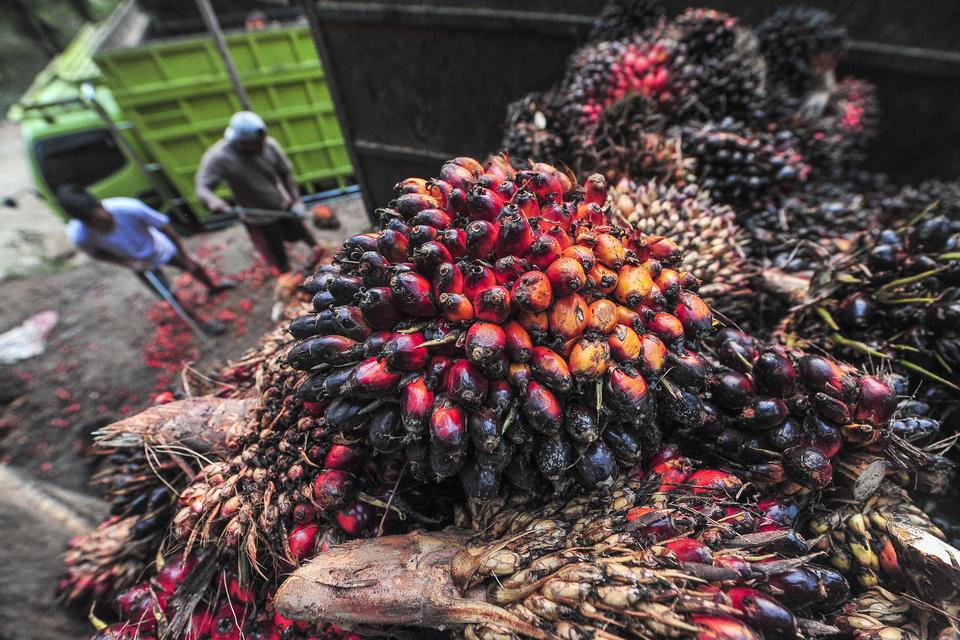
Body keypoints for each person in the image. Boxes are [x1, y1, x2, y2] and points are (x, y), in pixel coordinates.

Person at [57, 185, 234, 332]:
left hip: (159, 247)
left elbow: (164, 226)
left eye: (99, 217)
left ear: (99, 205)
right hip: (139, 264)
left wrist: (184, 255)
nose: (99, 224)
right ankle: (205, 323)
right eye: (92, 223)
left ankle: (213, 287)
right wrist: (128, 263)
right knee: (169, 295)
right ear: (82, 221)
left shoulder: (128, 208)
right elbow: (97, 253)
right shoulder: (80, 235)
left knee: (193, 266)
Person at [196, 111, 317, 273]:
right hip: (258, 216)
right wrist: (212, 200)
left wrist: (296, 201)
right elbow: (202, 188)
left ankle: (319, 253)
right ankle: (286, 276)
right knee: (276, 256)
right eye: (256, 143)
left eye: (262, 141)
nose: (262, 145)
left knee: (304, 235)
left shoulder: (269, 145)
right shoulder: (220, 157)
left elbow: (285, 173)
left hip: (282, 206)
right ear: (241, 142)